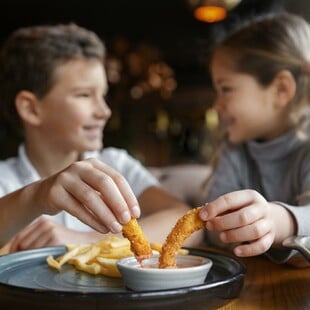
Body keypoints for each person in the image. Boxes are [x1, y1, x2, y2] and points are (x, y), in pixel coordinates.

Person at [0, 23, 202, 253]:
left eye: (103, 95)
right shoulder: (4, 180)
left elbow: (185, 221)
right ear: (31, 109)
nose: (104, 111)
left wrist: (90, 241)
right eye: (84, 94)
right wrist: (37, 195)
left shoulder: (115, 165)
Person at [198, 12, 310, 266]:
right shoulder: (235, 148)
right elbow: (212, 228)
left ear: (281, 89)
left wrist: (278, 221)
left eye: (226, 89)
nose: (216, 104)